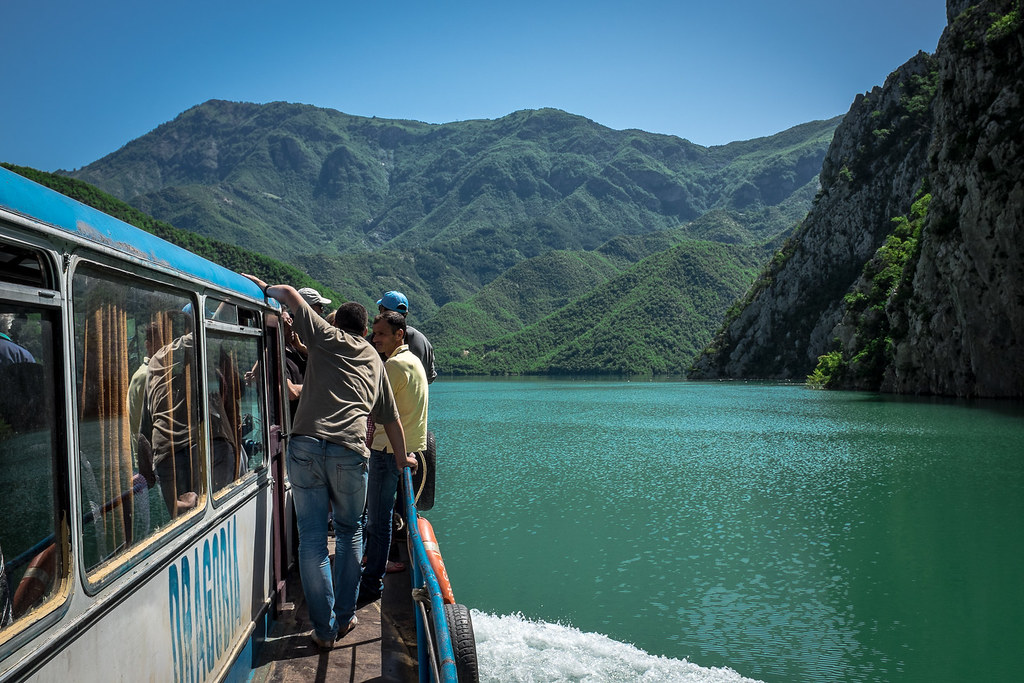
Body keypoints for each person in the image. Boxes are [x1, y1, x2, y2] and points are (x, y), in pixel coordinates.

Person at [242, 273, 416, 649]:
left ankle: (322, 630)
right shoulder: (373, 357)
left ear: (336, 323)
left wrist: (259, 285)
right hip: (349, 453)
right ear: (366, 329)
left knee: (313, 540)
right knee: (352, 531)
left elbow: (288, 294)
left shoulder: (323, 336)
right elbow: (391, 418)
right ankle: (343, 617)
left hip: (304, 448)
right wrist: (404, 458)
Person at [360, 310, 429, 603]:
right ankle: (376, 571)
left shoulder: (391, 368)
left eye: (381, 334)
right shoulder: (413, 362)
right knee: (387, 515)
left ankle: (372, 582)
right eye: (374, 333)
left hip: (387, 451)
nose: (375, 339)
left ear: (399, 334)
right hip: (409, 448)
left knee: (377, 519)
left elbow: (375, 409)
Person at [374, 291, 437, 384]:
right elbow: (430, 377)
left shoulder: (375, 340)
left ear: (383, 311)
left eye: (380, 308)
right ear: (406, 314)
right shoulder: (422, 340)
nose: (376, 338)